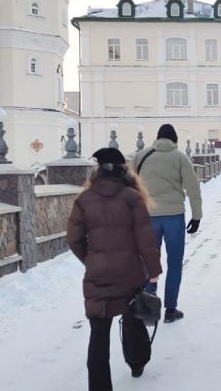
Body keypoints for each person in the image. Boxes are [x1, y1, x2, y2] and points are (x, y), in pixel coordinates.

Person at [67, 148, 163, 391]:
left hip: (97, 276)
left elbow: (73, 239)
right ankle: (137, 361)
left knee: (98, 335)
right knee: (132, 319)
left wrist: (91, 260)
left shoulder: (84, 200)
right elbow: (145, 239)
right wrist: (153, 269)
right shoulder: (132, 197)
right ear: (124, 170)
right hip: (129, 273)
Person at [132, 124, 203, 324]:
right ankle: (170, 310)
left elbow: (130, 184)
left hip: (148, 217)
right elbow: (193, 188)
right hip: (174, 217)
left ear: (157, 138)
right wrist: (196, 216)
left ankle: (148, 306)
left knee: (148, 262)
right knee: (174, 264)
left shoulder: (141, 156)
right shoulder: (180, 158)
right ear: (174, 140)